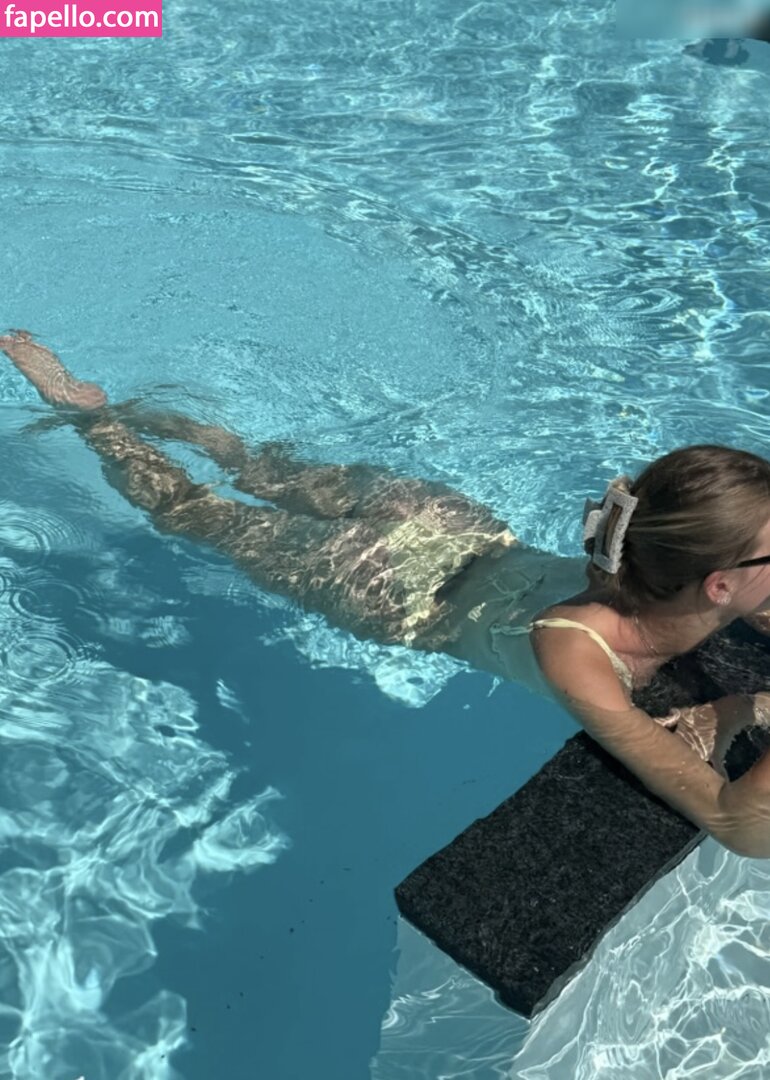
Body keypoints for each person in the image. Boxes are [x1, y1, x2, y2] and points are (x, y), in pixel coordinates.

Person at [3, 329, 770, 857]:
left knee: (256, 466)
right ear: (719, 585)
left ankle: (134, 413)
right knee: (194, 511)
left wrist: (739, 706)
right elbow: (736, 823)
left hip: (446, 523)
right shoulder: (576, 654)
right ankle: (90, 417)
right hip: (387, 585)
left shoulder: (664, 568)